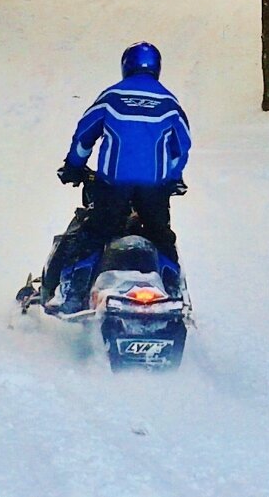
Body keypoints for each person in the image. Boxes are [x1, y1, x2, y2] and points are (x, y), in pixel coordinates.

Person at [41, 42, 192, 310]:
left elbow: (84, 135)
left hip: (113, 186)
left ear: (127, 65)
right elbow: (182, 146)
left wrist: (73, 166)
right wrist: (172, 178)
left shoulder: (111, 97)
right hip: (154, 190)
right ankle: (176, 295)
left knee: (93, 234)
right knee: (162, 238)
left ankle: (71, 294)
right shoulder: (170, 103)